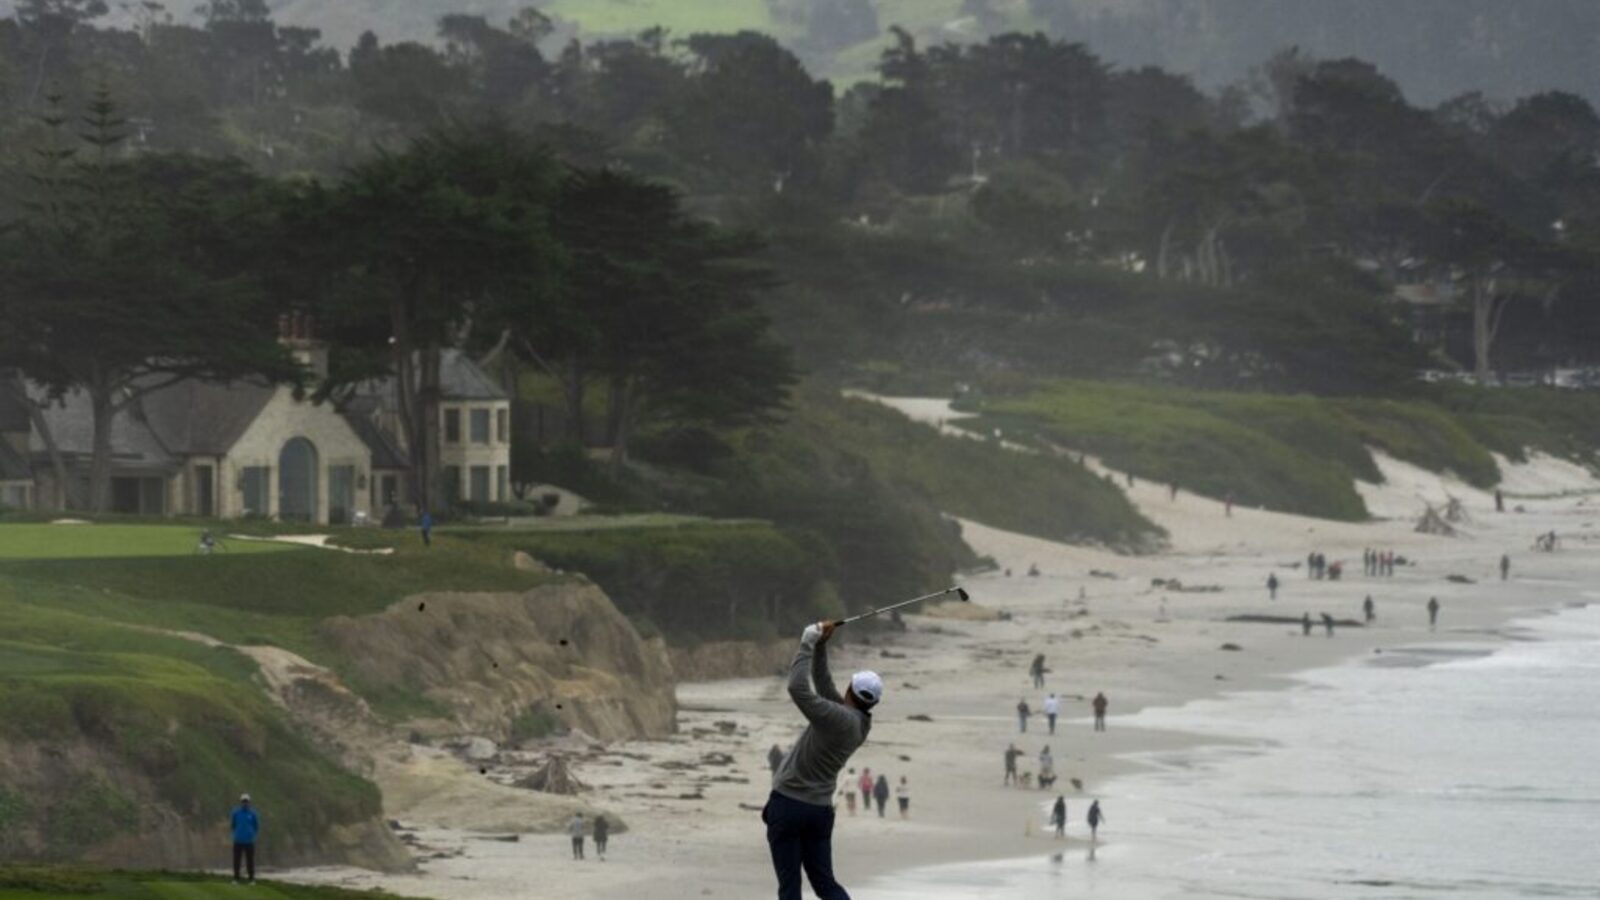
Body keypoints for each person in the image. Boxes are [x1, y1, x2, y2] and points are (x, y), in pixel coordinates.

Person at [764, 620, 880, 900]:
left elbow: (797, 688)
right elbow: (824, 685)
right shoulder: (859, 722)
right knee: (825, 884)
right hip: (818, 812)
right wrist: (821, 646)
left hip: (790, 805)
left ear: (850, 691)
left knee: (790, 887)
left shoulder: (838, 717)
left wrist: (806, 641)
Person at [230, 793, 259, 884]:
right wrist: (236, 834)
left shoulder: (253, 813)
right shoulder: (236, 813)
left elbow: (256, 826)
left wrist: (251, 835)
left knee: (250, 861)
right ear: (241, 802)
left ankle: (251, 879)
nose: (245, 803)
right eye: (243, 801)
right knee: (236, 861)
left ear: (249, 802)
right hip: (238, 840)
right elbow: (233, 825)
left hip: (249, 841)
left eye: (246, 801)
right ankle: (236, 878)